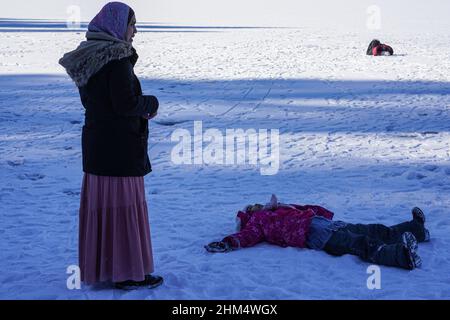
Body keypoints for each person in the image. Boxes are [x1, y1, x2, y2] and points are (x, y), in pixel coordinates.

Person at [59, 2, 163, 290]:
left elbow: (97, 104)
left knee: (104, 210)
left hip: (97, 150)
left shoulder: (89, 58)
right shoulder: (116, 60)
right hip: (120, 151)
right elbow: (125, 104)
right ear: (117, 27)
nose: (135, 31)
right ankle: (128, 272)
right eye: (132, 25)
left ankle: (105, 268)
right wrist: (150, 104)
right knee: (124, 209)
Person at [205, 195, 430, 270]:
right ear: (248, 215)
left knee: (371, 229)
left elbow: (306, 208)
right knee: (361, 243)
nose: (256, 205)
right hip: (315, 235)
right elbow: (247, 237)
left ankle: (416, 230)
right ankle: (403, 256)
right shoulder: (256, 222)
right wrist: (228, 242)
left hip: (323, 224)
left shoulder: (279, 208)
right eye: (251, 207)